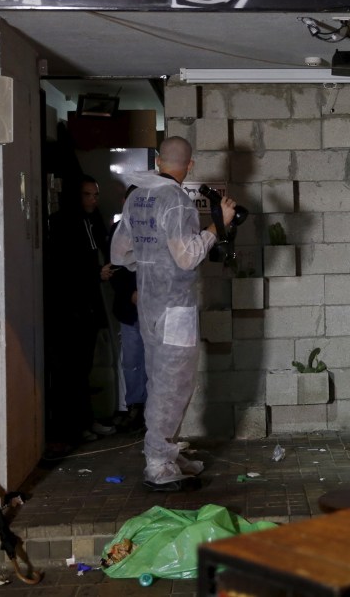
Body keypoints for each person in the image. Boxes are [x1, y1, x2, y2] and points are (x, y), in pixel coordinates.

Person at [110, 136, 237, 491]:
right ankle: (158, 464)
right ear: (189, 165)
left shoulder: (136, 196)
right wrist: (217, 226)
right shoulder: (176, 200)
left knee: (159, 380)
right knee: (174, 387)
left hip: (149, 303)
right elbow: (187, 256)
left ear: (157, 160)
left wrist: (149, 267)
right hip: (175, 309)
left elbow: (120, 254)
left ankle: (167, 451)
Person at [45, 174, 117, 446]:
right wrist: (95, 274)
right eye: (88, 194)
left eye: (95, 194)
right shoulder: (63, 223)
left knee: (83, 368)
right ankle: (76, 425)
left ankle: (85, 421)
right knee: (71, 370)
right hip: (70, 309)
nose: (94, 199)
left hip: (88, 305)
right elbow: (63, 267)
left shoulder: (93, 221)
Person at [108, 186, 146, 434]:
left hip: (152, 308)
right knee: (132, 361)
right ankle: (135, 407)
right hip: (129, 310)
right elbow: (115, 268)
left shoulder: (152, 228)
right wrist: (129, 293)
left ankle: (148, 410)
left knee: (154, 362)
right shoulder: (117, 231)